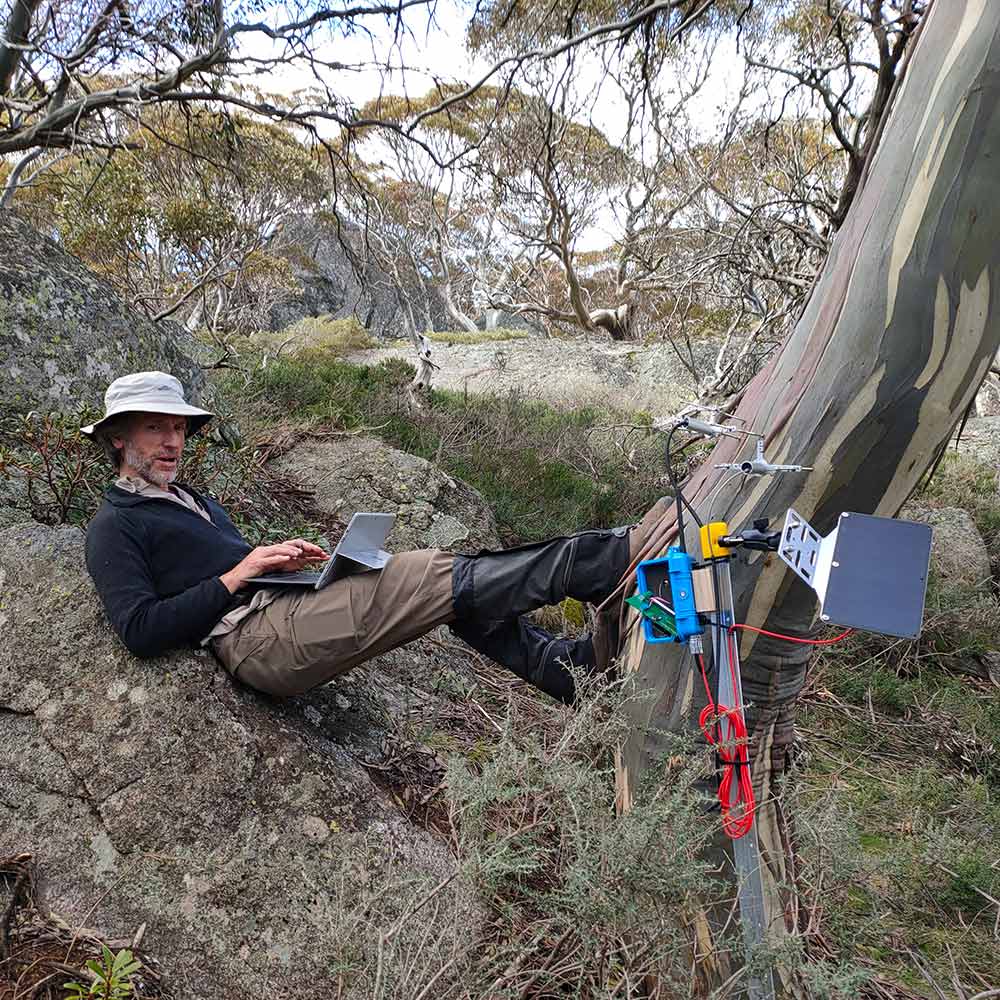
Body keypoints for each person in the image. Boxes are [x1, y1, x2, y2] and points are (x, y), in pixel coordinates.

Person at [83, 372, 666, 704]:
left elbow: (223, 573)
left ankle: (572, 673)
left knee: (442, 594)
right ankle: (607, 560)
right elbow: (140, 630)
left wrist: (285, 561)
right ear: (117, 438)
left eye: (178, 428)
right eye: (155, 428)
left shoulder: (192, 501)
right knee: (436, 575)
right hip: (257, 643)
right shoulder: (115, 525)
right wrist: (238, 575)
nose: (171, 442)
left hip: (283, 609)